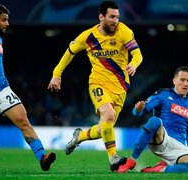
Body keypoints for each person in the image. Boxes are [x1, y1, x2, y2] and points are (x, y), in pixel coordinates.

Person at [48, 0, 143, 171]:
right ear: (101, 16)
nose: (115, 20)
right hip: (97, 83)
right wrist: (56, 74)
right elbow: (69, 53)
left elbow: (137, 54)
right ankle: (113, 158)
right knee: (108, 115)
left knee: (104, 127)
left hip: (120, 87)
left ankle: (79, 137)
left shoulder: (124, 31)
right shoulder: (88, 36)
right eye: (112, 16)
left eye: (117, 17)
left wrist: (134, 64)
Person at [0, 3, 56, 171]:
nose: (7, 24)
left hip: (1, 89)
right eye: (4, 20)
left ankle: (42, 157)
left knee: (23, 120)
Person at [117, 66, 188, 173]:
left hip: (178, 147)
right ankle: (132, 160)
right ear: (174, 80)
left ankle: (161, 168)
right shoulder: (163, 94)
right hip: (161, 138)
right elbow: (137, 113)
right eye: (182, 80)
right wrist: (138, 109)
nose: (185, 84)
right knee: (154, 120)